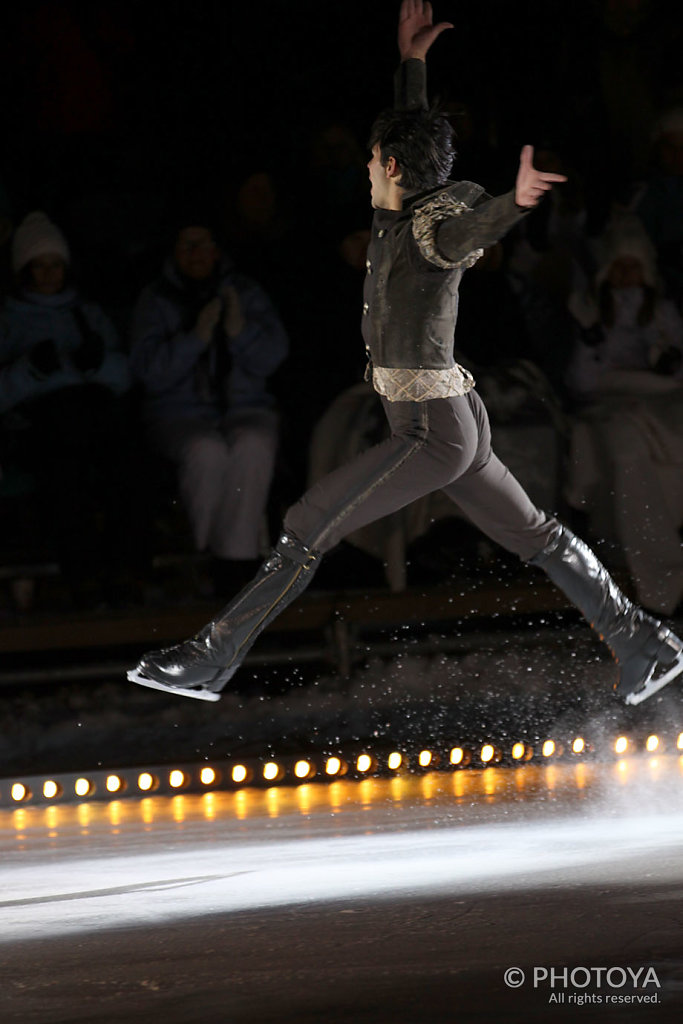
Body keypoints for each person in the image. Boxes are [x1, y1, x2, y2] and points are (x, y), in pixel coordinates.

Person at [129, 0, 683, 707]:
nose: (365, 169)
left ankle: (211, 658)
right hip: (453, 416)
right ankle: (641, 641)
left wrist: (510, 204)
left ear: (389, 167)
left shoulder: (431, 227)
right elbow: (411, 137)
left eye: (371, 160)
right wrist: (412, 64)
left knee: (307, 522)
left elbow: (464, 236)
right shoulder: (397, 207)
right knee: (535, 536)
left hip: (431, 427)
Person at [130, 216, 289, 596]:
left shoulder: (245, 292)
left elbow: (273, 357)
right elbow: (147, 371)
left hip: (244, 407)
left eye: (203, 244)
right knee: (206, 452)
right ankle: (202, 554)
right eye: (187, 245)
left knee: (253, 444)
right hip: (179, 412)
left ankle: (235, 564)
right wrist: (194, 338)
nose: (196, 254)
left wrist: (239, 331)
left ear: (217, 249)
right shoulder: (156, 298)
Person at [0, 210, 138, 607]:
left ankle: (125, 571)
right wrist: (28, 371)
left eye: (54, 264)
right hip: (37, 424)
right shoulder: (9, 319)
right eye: (38, 265)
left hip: (93, 414)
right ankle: (83, 577)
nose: (47, 274)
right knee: (65, 471)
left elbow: (125, 374)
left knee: (125, 465)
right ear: (24, 270)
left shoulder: (86, 314)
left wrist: (98, 364)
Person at [565, 215, 683, 616]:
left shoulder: (662, 313)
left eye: (633, 266)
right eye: (619, 266)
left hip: (661, 400)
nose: (627, 275)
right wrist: (592, 345)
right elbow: (582, 381)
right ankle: (658, 570)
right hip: (611, 401)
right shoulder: (591, 312)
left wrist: (668, 363)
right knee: (624, 444)